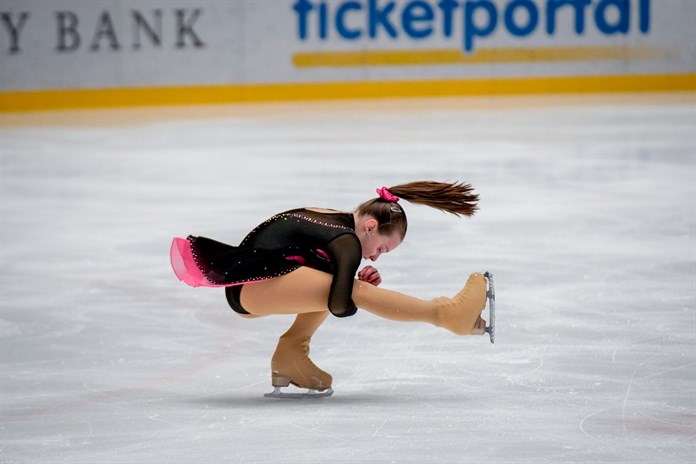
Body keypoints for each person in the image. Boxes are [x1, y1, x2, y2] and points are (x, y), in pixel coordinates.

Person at [170, 181, 491, 394]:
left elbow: (308, 265)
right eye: (382, 248)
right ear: (370, 226)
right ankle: (448, 314)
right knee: (357, 293)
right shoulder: (346, 241)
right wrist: (356, 288)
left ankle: (291, 354)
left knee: (345, 284)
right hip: (251, 288)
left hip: (251, 285)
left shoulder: (339, 221)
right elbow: (341, 305)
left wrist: (346, 277)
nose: (377, 257)